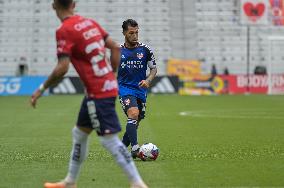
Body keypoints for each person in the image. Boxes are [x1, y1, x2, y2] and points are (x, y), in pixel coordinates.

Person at [30, 1, 148, 188]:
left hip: (98, 91)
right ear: (74, 4)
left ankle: (137, 183)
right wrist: (112, 74)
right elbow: (116, 48)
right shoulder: (89, 23)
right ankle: (70, 181)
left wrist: (41, 88)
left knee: (109, 140)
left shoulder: (64, 30)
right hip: (102, 87)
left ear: (54, 6)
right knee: (79, 133)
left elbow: (62, 68)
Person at [117, 19, 157, 159]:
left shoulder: (145, 50)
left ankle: (120, 149)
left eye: (137, 32)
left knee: (135, 121)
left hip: (140, 90)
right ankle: (135, 149)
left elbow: (153, 69)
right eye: (131, 33)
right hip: (125, 89)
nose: (135, 36)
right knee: (133, 113)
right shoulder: (117, 51)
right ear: (124, 33)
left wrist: (148, 80)